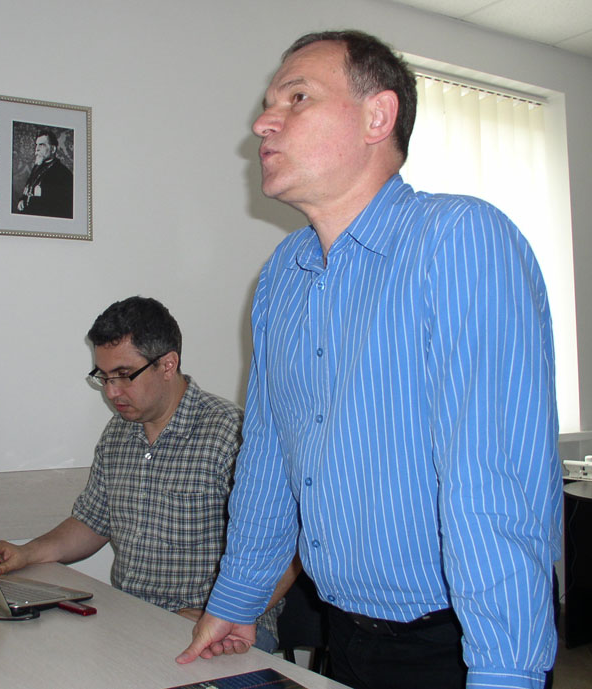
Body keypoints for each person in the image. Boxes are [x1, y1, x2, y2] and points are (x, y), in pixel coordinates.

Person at [176, 30, 561, 689]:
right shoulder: (283, 275)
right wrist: (238, 600)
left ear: (377, 117)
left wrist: (504, 673)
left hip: (461, 645)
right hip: (346, 635)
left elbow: (493, 480)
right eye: (268, 105)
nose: (264, 122)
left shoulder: (458, 240)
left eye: (297, 98)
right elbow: (269, 455)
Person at [0, 296, 290, 651]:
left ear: (168, 365)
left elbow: (289, 546)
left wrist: (225, 613)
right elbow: (92, 522)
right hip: (133, 621)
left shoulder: (232, 435)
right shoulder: (118, 433)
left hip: (222, 627)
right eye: (103, 377)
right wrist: (26, 553)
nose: (112, 392)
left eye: (124, 375)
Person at [15, 129, 73, 218]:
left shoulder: (63, 174)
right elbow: (29, 188)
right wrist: (22, 200)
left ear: (53, 149)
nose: (36, 149)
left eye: (41, 145)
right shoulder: (37, 167)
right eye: (36, 145)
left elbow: (61, 208)